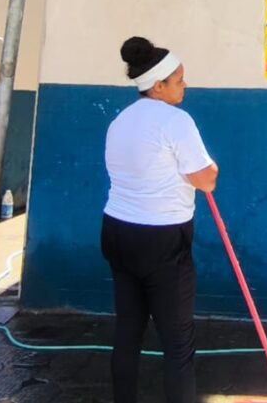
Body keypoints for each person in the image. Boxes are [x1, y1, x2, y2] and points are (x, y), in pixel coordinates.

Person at [101, 37, 219, 403]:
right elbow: (206, 179)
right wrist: (207, 170)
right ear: (158, 85)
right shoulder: (175, 120)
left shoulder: (120, 121)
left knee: (128, 331)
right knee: (178, 342)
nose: (185, 85)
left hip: (117, 232)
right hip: (162, 240)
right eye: (180, 80)